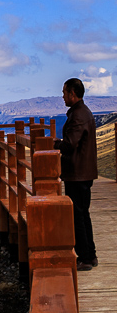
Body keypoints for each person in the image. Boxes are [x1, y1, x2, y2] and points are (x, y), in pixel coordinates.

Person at [59, 78, 100, 270]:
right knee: (83, 215)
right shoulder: (83, 112)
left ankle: (85, 258)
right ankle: (90, 256)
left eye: (65, 92)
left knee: (78, 216)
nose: (63, 96)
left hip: (78, 173)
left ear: (72, 94)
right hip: (82, 172)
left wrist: (55, 144)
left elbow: (70, 144)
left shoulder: (78, 115)